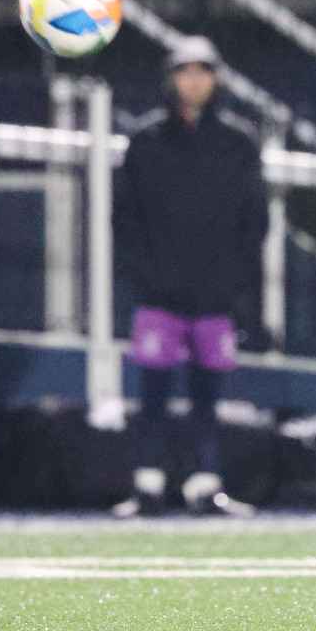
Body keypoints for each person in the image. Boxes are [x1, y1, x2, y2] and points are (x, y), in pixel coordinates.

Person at [111, 35, 268, 517]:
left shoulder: (238, 144)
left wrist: (237, 288)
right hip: (159, 294)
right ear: (171, 78)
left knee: (208, 395)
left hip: (214, 297)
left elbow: (254, 221)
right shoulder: (145, 141)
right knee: (152, 392)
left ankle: (205, 484)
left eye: (203, 70)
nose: (194, 80)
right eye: (185, 70)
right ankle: (148, 485)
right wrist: (144, 276)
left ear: (216, 78)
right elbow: (125, 219)